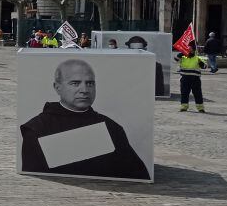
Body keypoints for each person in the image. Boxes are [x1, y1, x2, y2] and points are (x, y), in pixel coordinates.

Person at [19, 58, 149, 180]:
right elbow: (37, 178)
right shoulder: (37, 129)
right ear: (57, 87)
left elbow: (137, 174)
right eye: (75, 83)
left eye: (90, 83)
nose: (84, 90)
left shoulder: (111, 127)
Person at [175, 43, 208, 113]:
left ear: (193, 50)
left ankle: (200, 108)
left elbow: (205, 66)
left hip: (195, 79)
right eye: (187, 49)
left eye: (190, 49)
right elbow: (175, 60)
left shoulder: (198, 58)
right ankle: (184, 107)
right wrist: (179, 55)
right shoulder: (183, 57)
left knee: (197, 94)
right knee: (184, 93)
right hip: (185, 79)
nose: (189, 51)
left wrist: (201, 63)